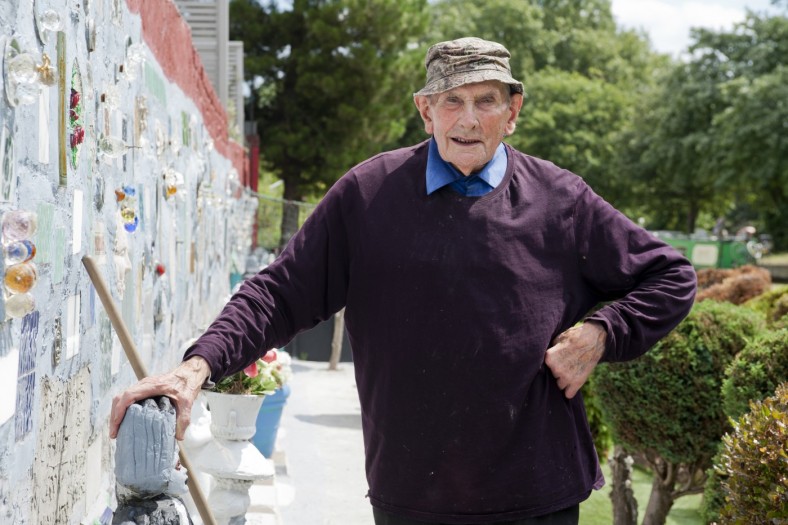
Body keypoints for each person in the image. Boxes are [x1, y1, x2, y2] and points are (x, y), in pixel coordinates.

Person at [110, 37, 697, 525]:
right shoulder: (369, 195)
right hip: (415, 496)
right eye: (452, 100)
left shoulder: (561, 200)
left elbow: (670, 276)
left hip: (537, 493)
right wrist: (195, 368)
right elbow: (279, 292)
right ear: (426, 110)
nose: (468, 118)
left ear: (513, 111)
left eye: (486, 101)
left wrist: (601, 333)